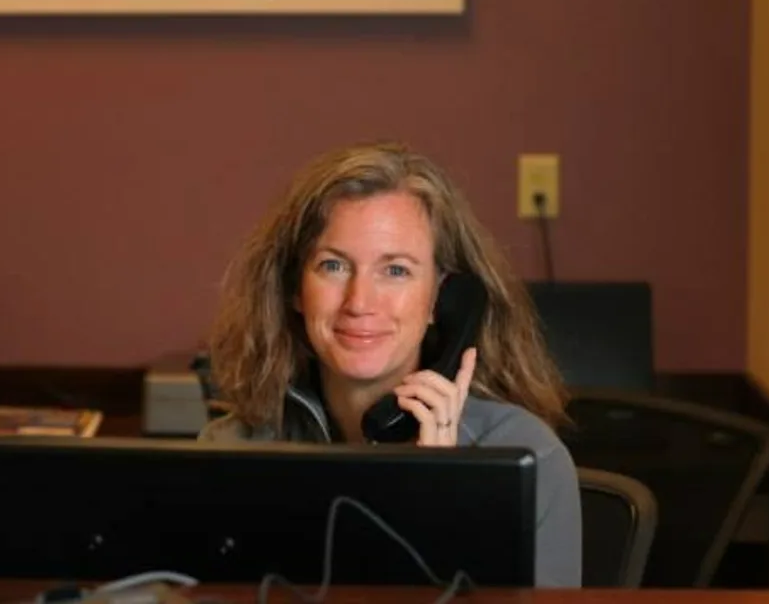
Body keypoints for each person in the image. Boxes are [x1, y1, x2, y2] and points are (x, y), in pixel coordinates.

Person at [200, 141, 582, 587]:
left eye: (395, 270)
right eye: (334, 266)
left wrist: (437, 499)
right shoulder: (230, 450)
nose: (360, 302)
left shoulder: (528, 460)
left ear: (443, 298)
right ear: (294, 290)